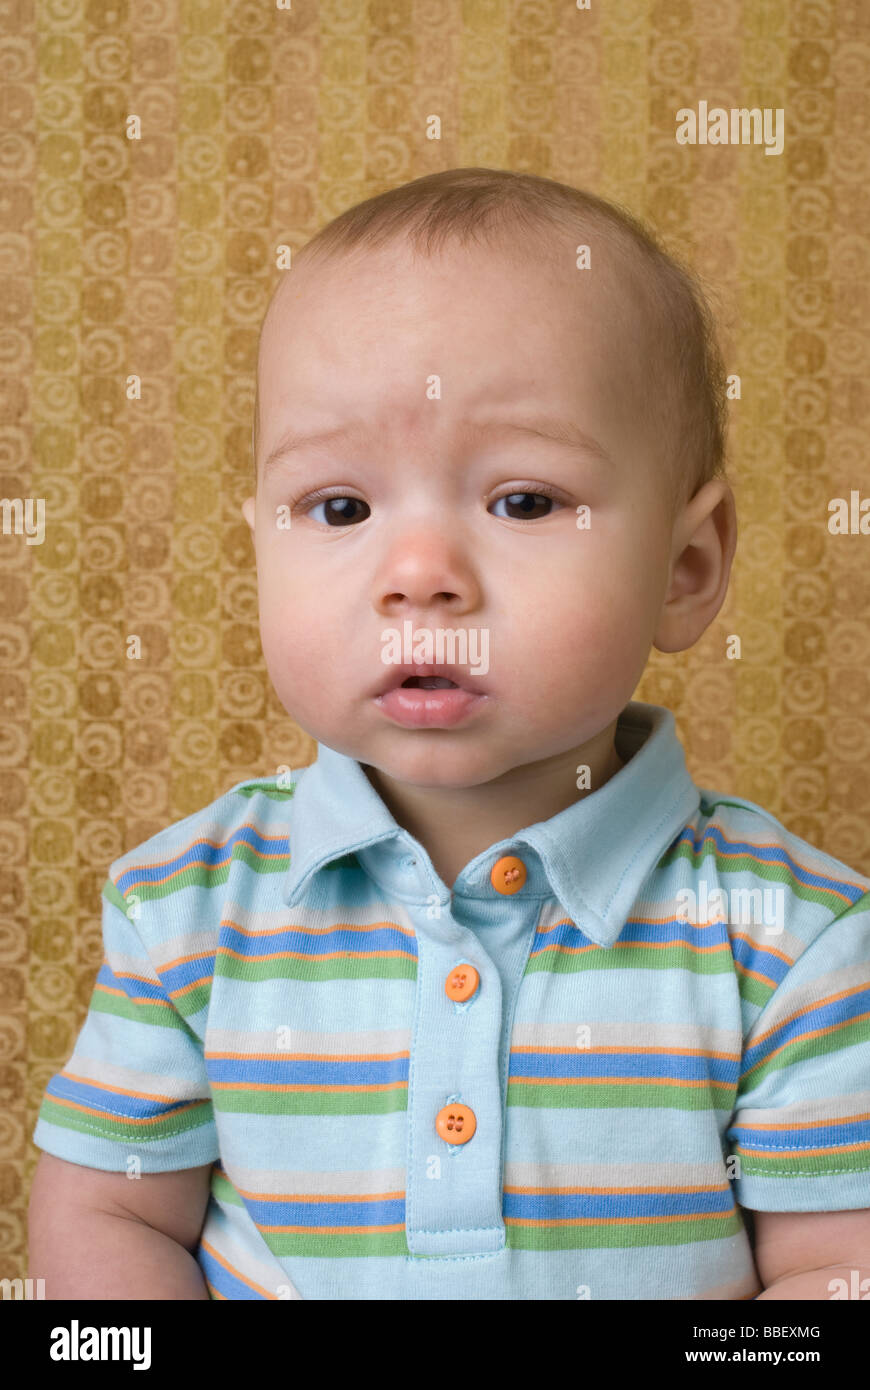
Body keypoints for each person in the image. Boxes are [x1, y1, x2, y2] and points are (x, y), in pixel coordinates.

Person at [28, 168, 870, 1300]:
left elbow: (835, 1265)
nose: (418, 576)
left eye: (523, 502)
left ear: (687, 568)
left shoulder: (792, 941)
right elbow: (110, 1205)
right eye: (340, 508)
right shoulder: (183, 908)